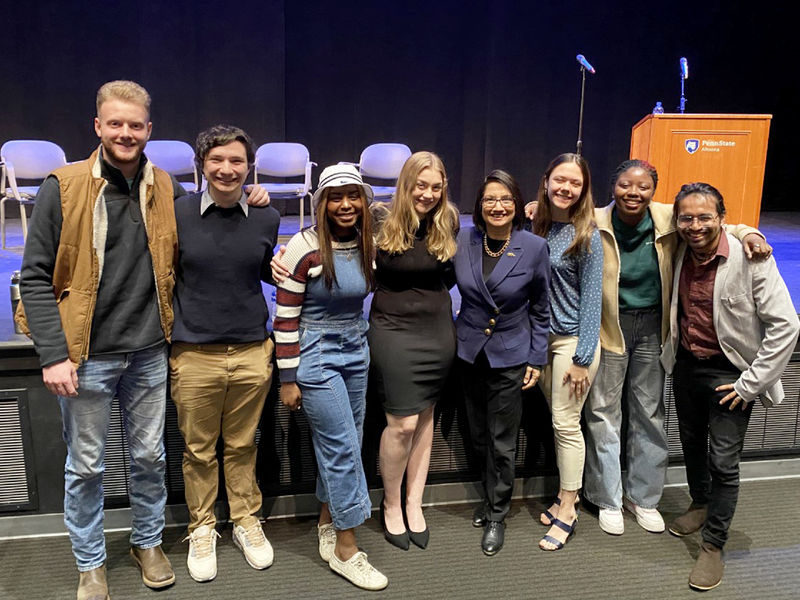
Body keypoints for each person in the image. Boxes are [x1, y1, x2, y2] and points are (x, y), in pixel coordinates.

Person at [15, 80, 269, 600]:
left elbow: (216, 214)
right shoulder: (61, 186)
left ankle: (147, 541)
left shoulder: (166, 189)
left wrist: (253, 195)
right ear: (98, 126)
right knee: (86, 464)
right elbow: (36, 276)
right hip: (85, 355)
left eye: (135, 125)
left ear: (149, 130)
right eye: (115, 123)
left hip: (153, 350)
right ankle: (90, 562)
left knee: (150, 458)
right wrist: (53, 352)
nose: (125, 133)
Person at [579, 159, 771, 536]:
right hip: (609, 327)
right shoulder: (594, 220)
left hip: (654, 327)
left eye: (643, 187)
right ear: (612, 186)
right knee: (603, 413)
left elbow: (722, 224)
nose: (633, 193)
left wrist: (750, 234)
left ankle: (644, 497)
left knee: (649, 411)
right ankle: (607, 497)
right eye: (624, 185)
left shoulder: (669, 216)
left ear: (654, 190)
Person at [661, 182, 799, 590]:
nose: (695, 225)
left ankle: (713, 544)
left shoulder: (751, 257)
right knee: (689, 443)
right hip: (687, 364)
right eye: (687, 217)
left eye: (706, 217)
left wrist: (749, 385)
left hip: (732, 374)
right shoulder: (678, 247)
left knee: (723, 460)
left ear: (722, 218)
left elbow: (787, 326)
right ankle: (701, 503)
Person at [170, 125, 280, 582]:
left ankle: (246, 521)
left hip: (253, 350)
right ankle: (201, 526)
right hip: (194, 352)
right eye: (218, 160)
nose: (227, 169)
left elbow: (273, 273)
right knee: (198, 451)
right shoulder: (176, 214)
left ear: (248, 167)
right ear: (202, 164)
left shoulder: (266, 217)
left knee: (240, 445)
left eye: (237, 161)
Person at [274, 164, 388, 591]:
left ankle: (327, 520)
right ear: (321, 203)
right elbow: (284, 318)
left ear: (363, 200)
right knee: (342, 448)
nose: (345, 205)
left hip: (356, 349)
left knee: (348, 441)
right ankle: (346, 547)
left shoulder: (366, 242)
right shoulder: (303, 248)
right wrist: (288, 377)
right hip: (315, 354)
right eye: (336, 197)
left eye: (353, 196)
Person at [455, 170, 550, 556]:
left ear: (517, 205)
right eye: (490, 199)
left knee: (502, 441)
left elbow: (542, 308)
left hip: (511, 354)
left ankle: (497, 513)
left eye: (506, 199)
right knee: (477, 435)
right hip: (468, 352)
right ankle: (488, 498)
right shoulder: (463, 239)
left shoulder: (533, 246)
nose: (498, 206)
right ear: (479, 205)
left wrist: (537, 357)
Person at [370, 151, 459, 551]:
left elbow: (454, 275)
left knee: (425, 418)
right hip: (392, 329)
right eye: (420, 185)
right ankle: (391, 504)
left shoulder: (448, 220)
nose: (427, 194)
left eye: (435, 187)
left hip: (437, 330)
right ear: (405, 184)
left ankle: (414, 503)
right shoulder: (379, 218)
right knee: (401, 423)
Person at [531, 153, 603, 550]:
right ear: (546, 181)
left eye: (574, 183)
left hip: (572, 343)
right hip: (540, 341)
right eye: (560, 179)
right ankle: (562, 496)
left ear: (583, 189)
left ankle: (570, 508)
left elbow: (592, 303)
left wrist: (581, 359)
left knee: (565, 424)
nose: (566, 188)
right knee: (557, 421)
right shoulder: (537, 227)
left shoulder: (587, 235)